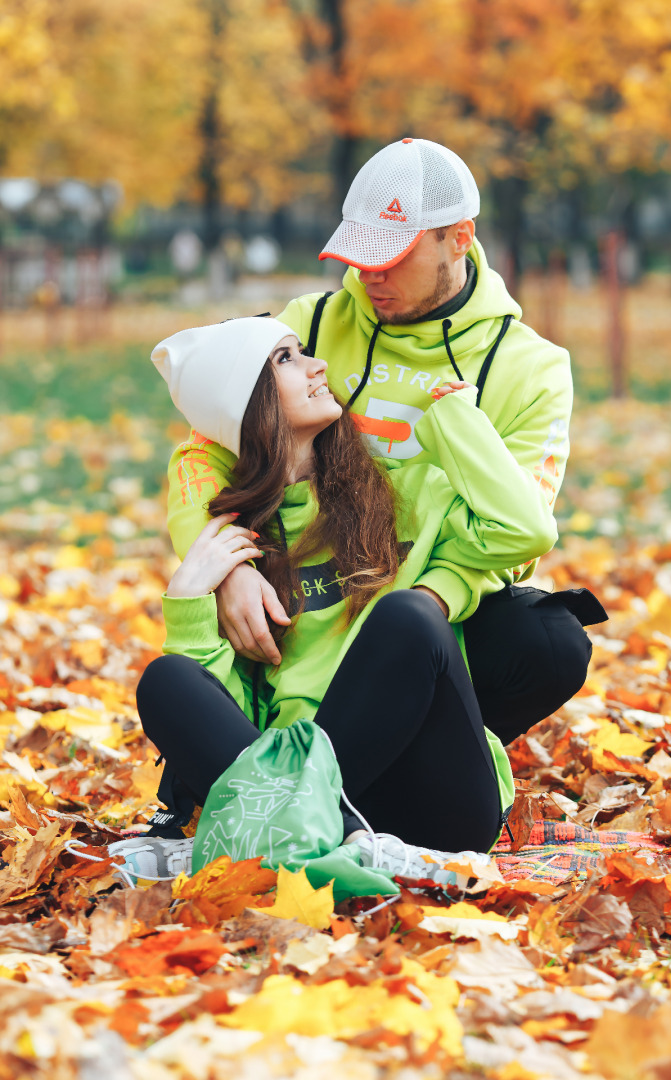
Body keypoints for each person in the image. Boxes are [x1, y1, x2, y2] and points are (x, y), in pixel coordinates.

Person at [165, 139, 607, 800]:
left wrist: (422, 605)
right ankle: (293, 784)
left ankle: (397, 763)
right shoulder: (308, 325)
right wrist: (226, 569)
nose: (369, 276)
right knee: (189, 673)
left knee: (548, 640)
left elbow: (518, 536)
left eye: (391, 258)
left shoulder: (530, 368)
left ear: (459, 239)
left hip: (426, 596)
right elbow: (203, 449)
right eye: (358, 254)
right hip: (303, 595)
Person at [110, 316, 556, 883]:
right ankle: (334, 842)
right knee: (165, 679)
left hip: (436, 798)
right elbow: (229, 713)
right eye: (286, 359)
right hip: (302, 784)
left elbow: (527, 531)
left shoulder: (407, 491)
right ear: (247, 406)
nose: (318, 365)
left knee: (409, 616)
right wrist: (189, 598)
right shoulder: (242, 550)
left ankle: (266, 840)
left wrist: (457, 420)